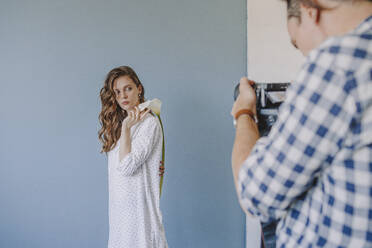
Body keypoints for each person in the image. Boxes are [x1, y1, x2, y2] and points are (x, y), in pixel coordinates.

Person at [231, 0, 372, 247]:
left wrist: (244, 113)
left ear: (310, 11)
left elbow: (255, 194)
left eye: (298, 43)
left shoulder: (339, 63)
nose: (306, 57)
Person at [98, 66, 168, 248]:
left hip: (139, 217)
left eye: (128, 88)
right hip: (119, 216)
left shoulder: (149, 124)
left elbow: (127, 167)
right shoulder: (123, 125)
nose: (123, 96)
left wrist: (126, 128)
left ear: (139, 88)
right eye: (117, 91)